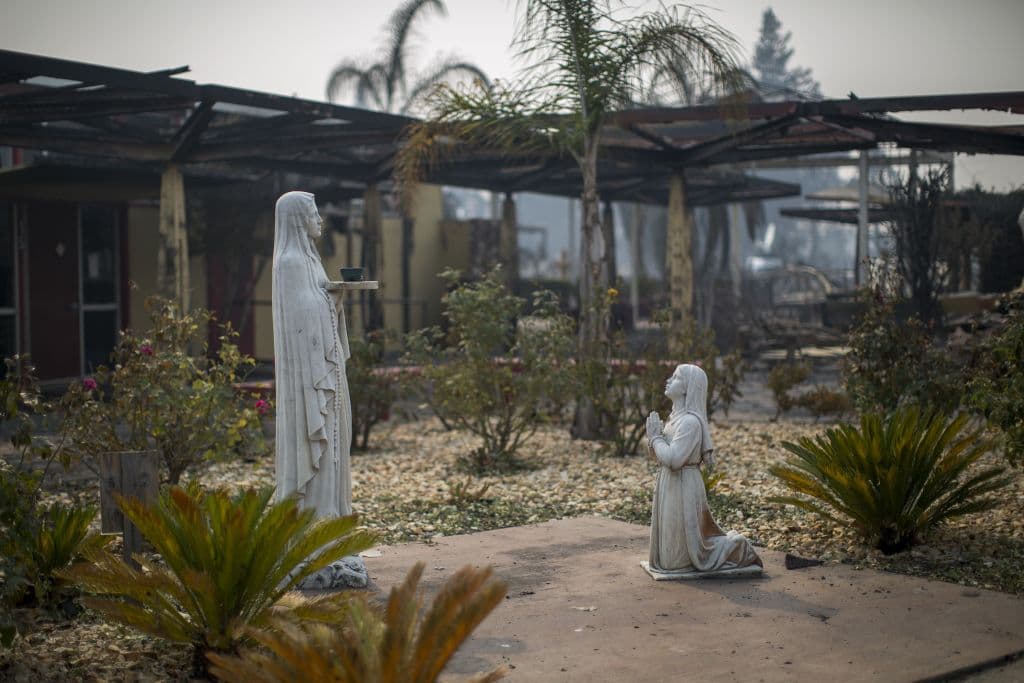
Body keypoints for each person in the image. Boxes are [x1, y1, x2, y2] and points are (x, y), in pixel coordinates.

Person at [272, 191, 352, 519]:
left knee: (337, 439)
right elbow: (299, 315)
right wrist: (327, 296)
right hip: (308, 374)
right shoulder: (289, 262)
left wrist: (333, 295)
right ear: (296, 217)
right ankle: (313, 516)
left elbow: (315, 301)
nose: (319, 220)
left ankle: (331, 511)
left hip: (325, 365)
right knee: (318, 441)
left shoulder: (310, 260)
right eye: (313, 212)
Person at [645, 364, 762, 575]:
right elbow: (661, 458)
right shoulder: (675, 421)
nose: (668, 381)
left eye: (676, 377)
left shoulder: (690, 423)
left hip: (683, 484)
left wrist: (655, 438)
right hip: (669, 483)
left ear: (688, 387)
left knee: (675, 561)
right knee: (668, 556)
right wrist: (654, 440)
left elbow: (673, 460)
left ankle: (736, 546)